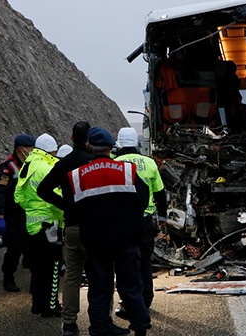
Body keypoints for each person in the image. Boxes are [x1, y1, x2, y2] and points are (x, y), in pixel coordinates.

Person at [38, 122, 128, 336]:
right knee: (101, 276)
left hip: (71, 228)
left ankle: (69, 324)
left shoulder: (63, 164)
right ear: (90, 141)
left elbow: (43, 190)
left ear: (71, 137)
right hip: (95, 229)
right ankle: (102, 321)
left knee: (71, 277)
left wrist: (65, 205)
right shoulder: (94, 163)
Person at [69, 127, 150, 336]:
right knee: (131, 285)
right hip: (126, 239)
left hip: (95, 241)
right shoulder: (127, 171)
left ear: (89, 147)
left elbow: (73, 209)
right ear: (111, 148)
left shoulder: (77, 176)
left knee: (99, 288)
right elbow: (143, 200)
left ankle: (100, 327)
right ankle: (140, 326)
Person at [114, 127, 167, 320]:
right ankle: (146, 300)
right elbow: (160, 193)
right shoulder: (149, 163)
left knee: (124, 264)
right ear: (136, 143)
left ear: (119, 142)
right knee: (145, 262)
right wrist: (162, 218)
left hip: (122, 223)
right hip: (145, 222)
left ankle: (128, 302)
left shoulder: (113, 163)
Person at [14, 133, 65, 318]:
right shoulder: (47, 167)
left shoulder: (28, 164)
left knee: (37, 268)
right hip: (50, 225)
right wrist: (64, 215)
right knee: (52, 269)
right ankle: (51, 306)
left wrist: (31, 210)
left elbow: (18, 196)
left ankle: (36, 303)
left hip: (33, 226)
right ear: (51, 150)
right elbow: (56, 199)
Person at [0, 134, 35, 292]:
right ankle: (8, 277)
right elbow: (0, 193)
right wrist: (0, 217)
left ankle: (31, 269)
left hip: (27, 212)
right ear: (21, 149)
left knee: (31, 244)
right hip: (12, 215)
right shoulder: (7, 168)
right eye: (31, 148)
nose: (33, 151)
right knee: (14, 247)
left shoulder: (30, 164)